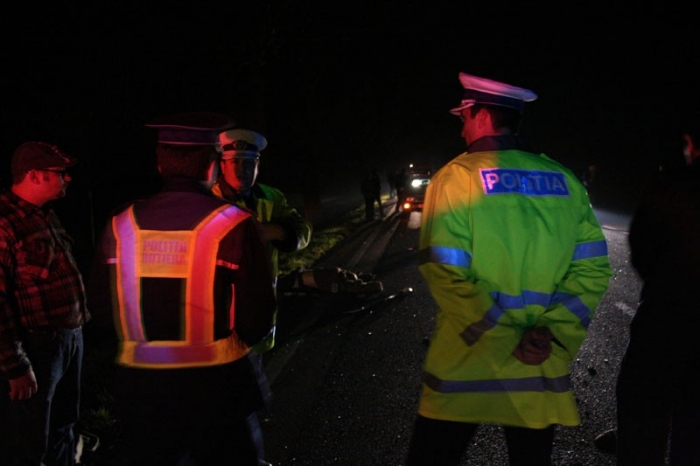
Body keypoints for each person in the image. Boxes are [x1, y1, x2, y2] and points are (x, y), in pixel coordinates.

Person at [405, 72, 613, 466]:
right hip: (537, 366)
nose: (462, 129)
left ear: (482, 116)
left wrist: (503, 340)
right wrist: (549, 335)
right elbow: (593, 270)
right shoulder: (565, 181)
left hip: (465, 368)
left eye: (464, 118)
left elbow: (445, 272)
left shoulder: (456, 178)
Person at [87, 112, 277, 465]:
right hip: (219, 391)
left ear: (160, 164)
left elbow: (100, 311)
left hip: (141, 392)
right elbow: (257, 317)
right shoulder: (235, 224)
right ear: (212, 165)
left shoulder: (119, 223)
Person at [614, 113, 700, 465]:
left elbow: (642, 249)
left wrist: (667, 282)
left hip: (665, 323)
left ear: (691, 145)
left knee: (642, 423)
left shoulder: (669, 184)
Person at [0, 141, 90, 465]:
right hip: (37, 347)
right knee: (30, 439)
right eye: (60, 172)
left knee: (63, 427)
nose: (67, 178)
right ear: (34, 175)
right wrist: (16, 365)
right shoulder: (5, 223)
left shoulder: (44, 216)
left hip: (69, 340)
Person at [212, 128, 313, 354]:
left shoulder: (272, 197)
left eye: (249, 163)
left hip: (260, 311)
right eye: (235, 162)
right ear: (222, 165)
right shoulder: (209, 200)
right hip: (217, 315)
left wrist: (276, 231)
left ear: (258, 166)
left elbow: (304, 231)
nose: (242, 170)